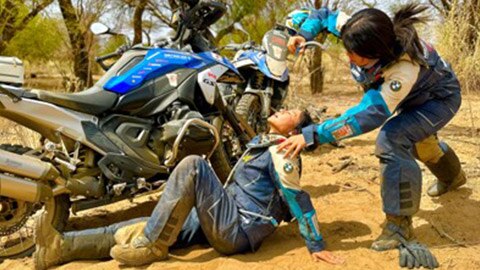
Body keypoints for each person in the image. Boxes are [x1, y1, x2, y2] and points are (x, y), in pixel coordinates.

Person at [34, 109, 344, 270]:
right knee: (136, 226)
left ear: (294, 130)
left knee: (194, 164)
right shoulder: (264, 143)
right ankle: (58, 249)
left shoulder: (284, 151)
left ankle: (151, 246)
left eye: (291, 112)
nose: (283, 109)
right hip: (222, 217)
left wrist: (316, 245)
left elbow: (296, 197)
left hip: (236, 229)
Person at [280, 4, 466, 252]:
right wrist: (305, 33)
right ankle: (454, 177)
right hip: (414, 97)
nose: (350, 58)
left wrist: (313, 135)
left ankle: (399, 227)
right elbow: (325, 16)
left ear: (380, 53)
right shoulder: (360, 30)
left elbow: (369, 114)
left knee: (394, 138)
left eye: (358, 56)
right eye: (348, 49)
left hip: (438, 100)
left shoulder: (404, 68)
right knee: (423, 144)